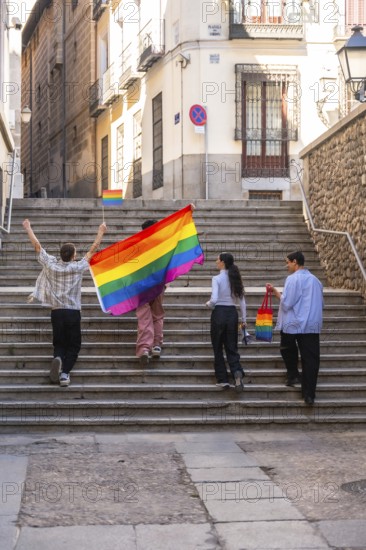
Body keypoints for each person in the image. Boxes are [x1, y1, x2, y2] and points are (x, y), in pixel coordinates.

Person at [22, 219, 107, 387]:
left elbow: (37, 247)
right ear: (74, 256)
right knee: (74, 344)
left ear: (60, 254)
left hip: (56, 312)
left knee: (59, 342)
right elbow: (92, 250)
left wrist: (28, 228)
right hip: (73, 312)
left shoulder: (51, 265)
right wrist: (101, 232)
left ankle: (58, 358)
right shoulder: (77, 267)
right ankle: (65, 374)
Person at [267, 250, 323, 406]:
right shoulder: (316, 280)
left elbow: (287, 302)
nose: (287, 265)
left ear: (295, 262)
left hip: (293, 324)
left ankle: (292, 374)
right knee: (311, 360)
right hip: (312, 324)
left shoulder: (292, 279)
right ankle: (309, 394)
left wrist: (276, 292)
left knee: (286, 348)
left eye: (288, 262)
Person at [206, 252, 246, 392]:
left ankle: (222, 379)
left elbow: (214, 299)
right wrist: (244, 320)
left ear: (222, 262)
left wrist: (208, 304)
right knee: (231, 347)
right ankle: (236, 372)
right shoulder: (235, 278)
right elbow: (242, 301)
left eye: (217, 259)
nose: (216, 261)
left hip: (219, 313)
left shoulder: (216, 278)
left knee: (218, 347)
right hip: (232, 314)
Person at [136, 219, 165, 365]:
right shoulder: (163, 245)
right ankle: (157, 345)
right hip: (158, 284)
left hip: (142, 285)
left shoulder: (138, 246)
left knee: (144, 316)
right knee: (157, 315)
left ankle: (144, 348)